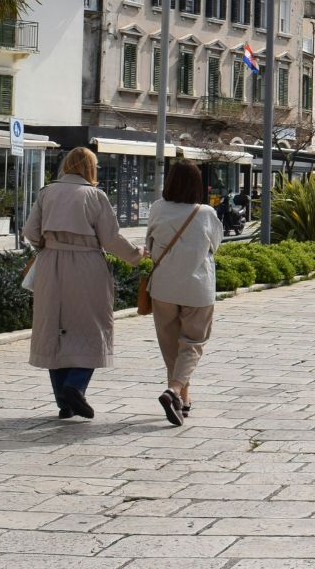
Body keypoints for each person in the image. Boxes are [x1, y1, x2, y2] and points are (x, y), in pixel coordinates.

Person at [24, 147, 144, 420]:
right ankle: (75, 386)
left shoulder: (47, 192)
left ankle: (63, 401)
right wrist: (136, 256)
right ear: (91, 168)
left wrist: (50, 243)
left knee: (53, 327)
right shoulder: (95, 196)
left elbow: (30, 232)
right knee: (93, 325)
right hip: (86, 265)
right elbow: (111, 238)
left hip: (50, 264)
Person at [145, 161, 224, 426]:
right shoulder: (206, 213)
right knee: (192, 343)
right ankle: (176, 390)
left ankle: (182, 399)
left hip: (164, 287)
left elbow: (149, 243)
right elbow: (215, 245)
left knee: (170, 346)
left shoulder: (157, 208)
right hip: (197, 288)